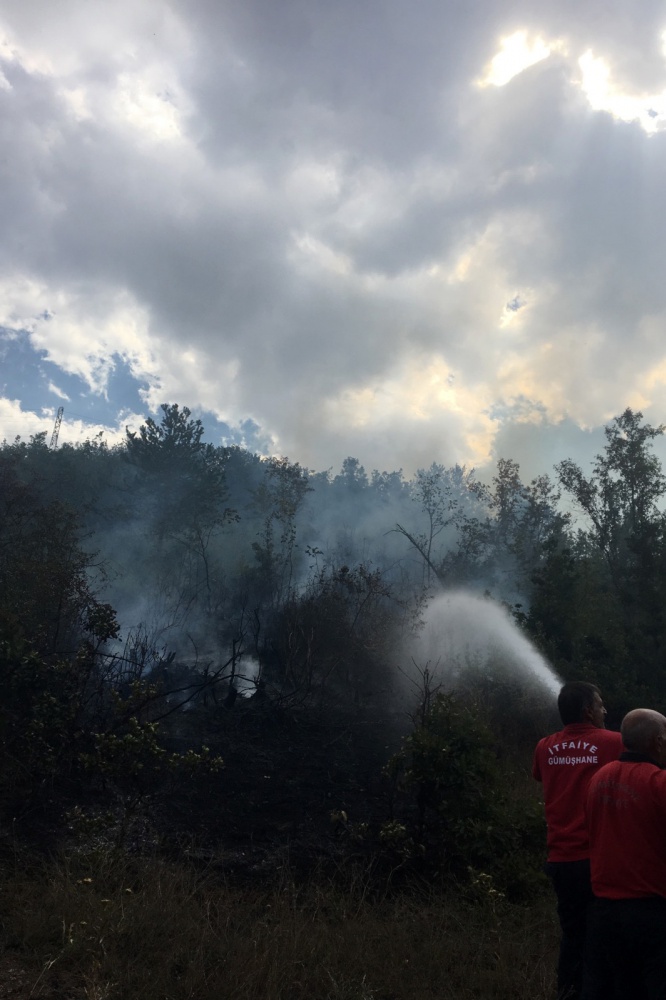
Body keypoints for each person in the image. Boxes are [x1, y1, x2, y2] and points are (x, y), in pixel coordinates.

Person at [533, 682, 622, 1000]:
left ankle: (568, 993)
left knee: (572, 934)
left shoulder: (544, 747)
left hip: (560, 859)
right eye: (600, 704)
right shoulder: (615, 742)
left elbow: (540, 776)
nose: (604, 710)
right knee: (602, 939)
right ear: (588, 711)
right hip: (599, 860)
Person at [585, 709, 666, 1000]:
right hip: (649, 910)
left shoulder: (599, 778)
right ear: (657, 742)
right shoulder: (659, 783)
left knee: (624, 987)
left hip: (604, 909)